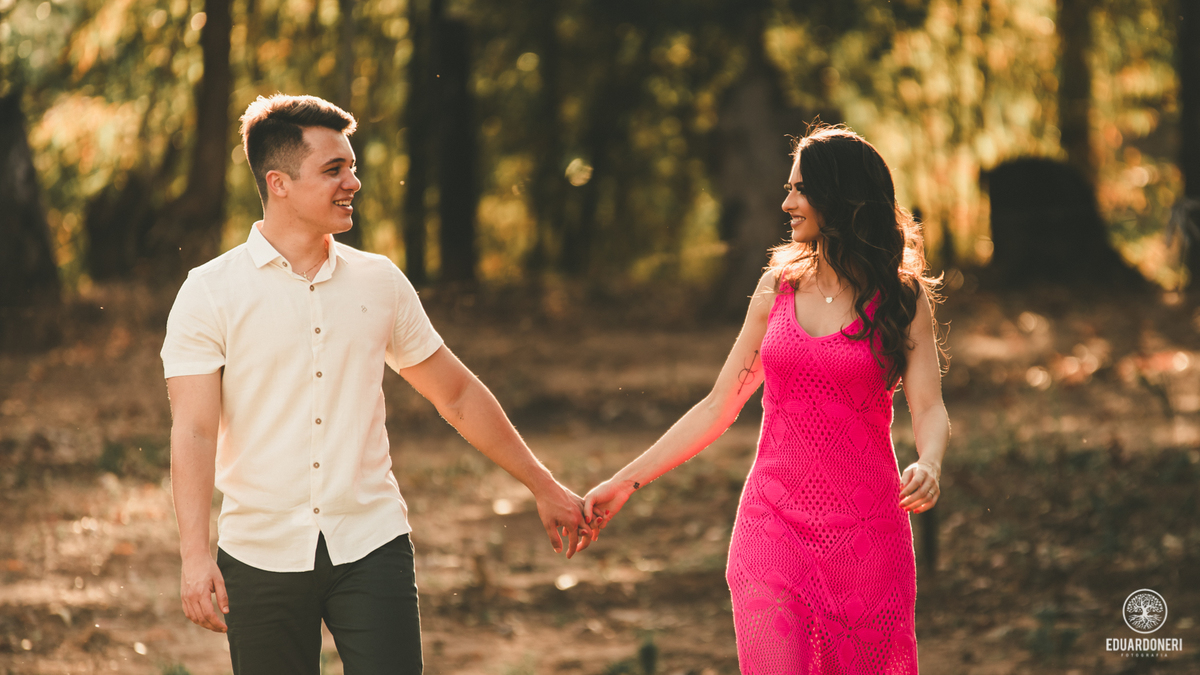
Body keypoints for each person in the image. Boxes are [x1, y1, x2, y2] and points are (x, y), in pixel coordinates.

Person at [161, 94, 593, 675]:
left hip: (371, 544)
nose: (354, 182)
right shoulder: (209, 292)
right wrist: (194, 556)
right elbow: (192, 430)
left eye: (353, 167)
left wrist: (542, 485)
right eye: (334, 169)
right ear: (279, 182)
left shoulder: (379, 281)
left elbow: (457, 395)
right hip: (259, 553)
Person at [584, 125, 949, 673]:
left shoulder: (901, 297)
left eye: (801, 189)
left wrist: (931, 462)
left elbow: (929, 407)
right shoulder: (778, 287)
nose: (787, 202)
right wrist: (626, 481)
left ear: (840, 196)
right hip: (771, 528)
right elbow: (718, 405)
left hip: (868, 536)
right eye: (789, 187)